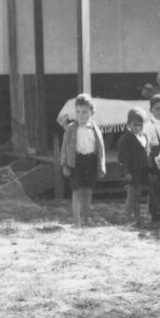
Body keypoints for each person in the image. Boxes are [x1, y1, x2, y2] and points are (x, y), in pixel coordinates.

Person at [61, 93, 106, 227]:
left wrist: (101, 167)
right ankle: (77, 222)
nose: (81, 115)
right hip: (75, 162)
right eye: (78, 112)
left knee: (87, 192)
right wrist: (64, 165)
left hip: (90, 162)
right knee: (77, 192)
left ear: (92, 112)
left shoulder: (96, 130)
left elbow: (101, 150)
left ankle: (86, 220)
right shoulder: (70, 129)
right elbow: (64, 148)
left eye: (85, 112)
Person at [116, 107, 150, 225]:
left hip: (141, 172)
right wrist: (125, 172)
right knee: (131, 195)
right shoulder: (125, 139)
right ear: (128, 124)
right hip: (130, 172)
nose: (138, 128)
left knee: (137, 195)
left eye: (140, 125)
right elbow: (122, 157)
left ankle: (137, 217)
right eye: (135, 125)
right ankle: (127, 218)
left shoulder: (144, 137)